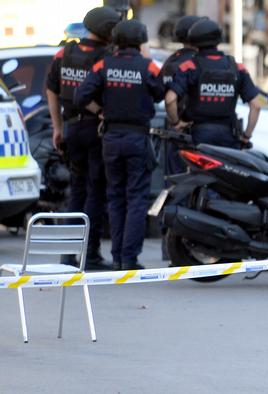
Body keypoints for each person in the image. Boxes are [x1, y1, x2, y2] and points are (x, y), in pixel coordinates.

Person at [75, 19, 165, 271]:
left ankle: (116, 257)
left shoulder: (104, 64)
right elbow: (160, 93)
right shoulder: (148, 67)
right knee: (136, 198)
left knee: (115, 197)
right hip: (137, 138)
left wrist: (101, 110)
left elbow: (80, 96)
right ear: (140, 41)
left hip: (111, 139)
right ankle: (129, 258)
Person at [46, 6, 121, 269]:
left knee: (76, 192)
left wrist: (57, 127)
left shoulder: (64, 52)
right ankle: (90, 254)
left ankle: (68, 256)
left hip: (72, 130)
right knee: (95, 192)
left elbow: (52, 90)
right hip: (97, 131)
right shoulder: (108, 56)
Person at [165, 19, 261, 149]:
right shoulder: (237, 67)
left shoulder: (189, 66)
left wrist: (176, 123)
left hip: (198, 137)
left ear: (194, 40)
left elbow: (170, 99)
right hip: (229, 137)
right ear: (219, 39)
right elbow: (256, 106)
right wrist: (246, 136)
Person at [158, 15, 203, 176]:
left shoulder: (170, 61)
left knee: (175, 184)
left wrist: (176, 122)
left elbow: (159, 94)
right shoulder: (201, 61)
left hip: (176, 133)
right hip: (201, 131)